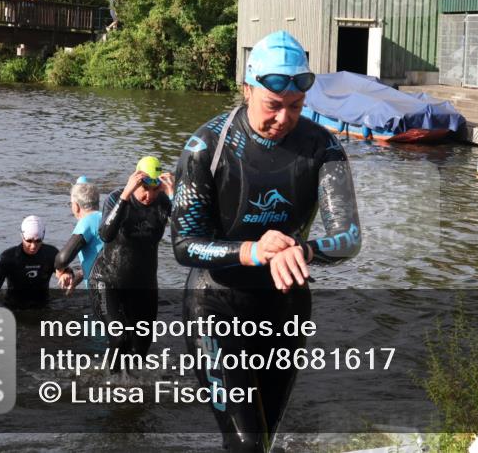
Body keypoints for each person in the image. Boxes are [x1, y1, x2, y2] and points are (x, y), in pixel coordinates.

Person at [170, 30, 362, 453]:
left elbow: (349, 238)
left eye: (296, 106)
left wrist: (304, 250)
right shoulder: (206, 146)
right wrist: (251, 251)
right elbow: (184, 244)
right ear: (247, 89)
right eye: (273, 105)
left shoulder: (323, 147)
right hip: (215, 304)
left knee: (264, 438)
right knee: (246, 442)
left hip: (285, 308)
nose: (283, 117)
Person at [90, 156, 174, 372]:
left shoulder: (163, 202)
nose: (149, 195)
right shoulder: (116, 198)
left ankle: (131, 387)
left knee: (140, 351)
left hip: (144, 284)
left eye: (155, 190)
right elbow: (105, 234)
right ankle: (109, 383)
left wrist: (174, 197)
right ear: (135, 182)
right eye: (145, 189)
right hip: (108, 281)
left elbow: (184, 235)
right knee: (119, 339)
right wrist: (126, 196)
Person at [0, 216, 63, 309]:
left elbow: (64, 271)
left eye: (38, 241)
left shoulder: (51, 253)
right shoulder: (8, 257)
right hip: (14, 307)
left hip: (43, 305)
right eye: (29, 241)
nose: (33, 246)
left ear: (43, 237)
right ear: (22, 236)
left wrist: (66, 274)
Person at [55, 181, 103, 291]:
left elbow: (62, 259)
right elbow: (100, 258)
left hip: (100, 288)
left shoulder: (87, 222)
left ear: (76, 206)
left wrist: (59, 271)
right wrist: (78, 277)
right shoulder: (107, 218)